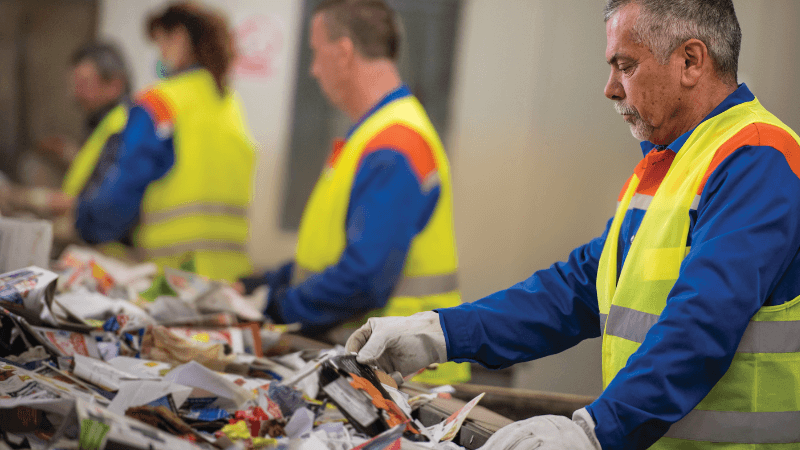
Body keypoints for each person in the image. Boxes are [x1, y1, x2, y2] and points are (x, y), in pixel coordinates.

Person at [347, 0, 800, 448]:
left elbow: (703, 322)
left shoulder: (757, 159)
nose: (610, 88)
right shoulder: (669, 163)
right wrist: (441, 333)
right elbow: (579, 287)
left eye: (625, 65)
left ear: (690, 60)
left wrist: (597, 428)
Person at [242, 0, 469, 384]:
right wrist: (267, 283)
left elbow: (364, 278)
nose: (314, 70)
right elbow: (333, 253)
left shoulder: (395, 143)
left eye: (316, 53)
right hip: (382, 371)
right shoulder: (376, 134)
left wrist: (277, 307)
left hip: (404, 381)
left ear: (344, 53)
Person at [75, 2, 255, 286]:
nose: (159, 53)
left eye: (160, 42)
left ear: (179, 38)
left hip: (170, 280)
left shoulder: (161, 103)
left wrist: (83, 222)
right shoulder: (231, 106)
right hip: (228, 283)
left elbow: (121, 193)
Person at [2, 43, 131, 220]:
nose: (75, 94)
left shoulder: (122, 126)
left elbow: (99, 198)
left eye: (84, 83)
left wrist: (23, 197)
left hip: (96, 238)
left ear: (114, 85)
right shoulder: (104, 123)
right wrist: (70, 154)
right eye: (74, 83)